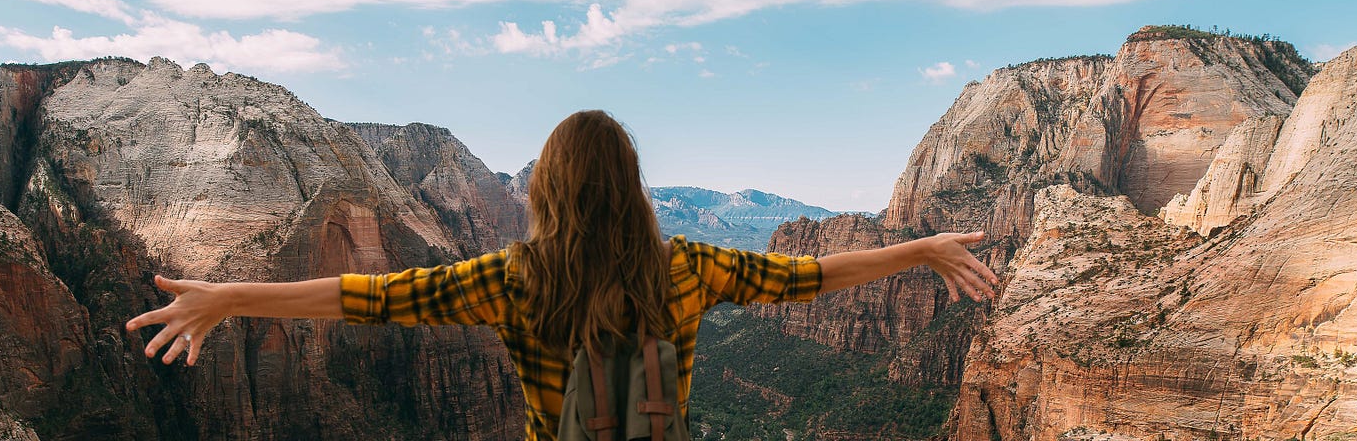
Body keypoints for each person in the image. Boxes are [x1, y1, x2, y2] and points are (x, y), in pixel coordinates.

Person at [125, 110, 1002, 440]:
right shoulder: (687, 268)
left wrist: (233, 297)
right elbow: (810, 276)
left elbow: (373, 299)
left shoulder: (516, 278)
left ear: (546, 189)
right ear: (631, 189)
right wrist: (919, 249)